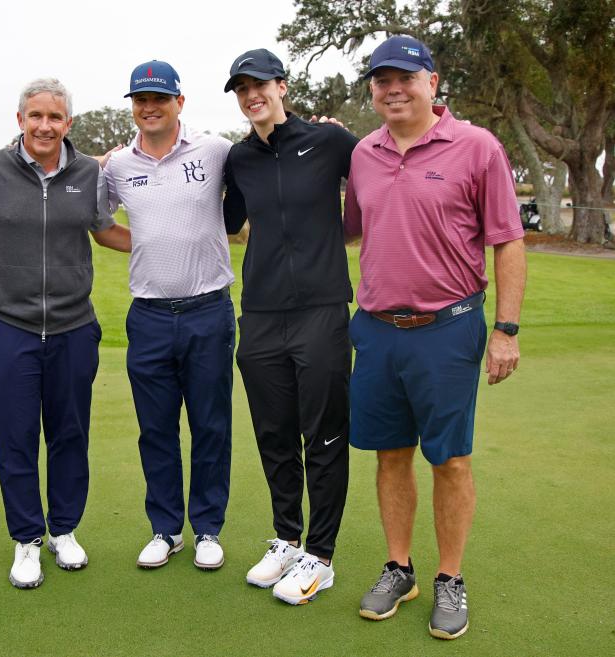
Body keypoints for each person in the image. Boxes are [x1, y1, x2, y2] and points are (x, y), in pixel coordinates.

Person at [343, 35, 526, 639]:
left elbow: (508, 239)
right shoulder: (363, 153)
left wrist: (505, 329)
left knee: (449, 458)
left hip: (447, 329)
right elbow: (347, 229)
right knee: (389, 453)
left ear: (432, 82)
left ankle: (450, 577)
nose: (393, 89)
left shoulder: (477, 147)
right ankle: (400, 567)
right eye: (381, 80)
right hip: (375, 330)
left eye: (405, 78)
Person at [0, 78, 130, 589]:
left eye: (54, 117)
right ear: (20, 120)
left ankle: (64, 529)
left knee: (69, 434)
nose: (44, 125)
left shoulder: (88, 173)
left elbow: (104, 229)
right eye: (35, 115)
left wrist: (174, 238)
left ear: (68, 124)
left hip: (73, 328)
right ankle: (27, 539)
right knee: (14, 438)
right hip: (8, 327)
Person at [221, 48, 359, 605]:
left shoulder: (328, 141)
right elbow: (226, 221)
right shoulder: (239, 158)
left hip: (322, 312)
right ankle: (286, 538)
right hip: (259, 315)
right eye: (241, 89)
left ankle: (319, 557)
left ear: (281, 85)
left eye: (260, 85)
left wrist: (340, 237)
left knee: (323, 435)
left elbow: (382, 173)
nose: (251, 95)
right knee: (274, 434)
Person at [102, 61, 236, 571]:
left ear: (180, 101)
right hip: (150, 316)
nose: (149, 107)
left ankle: (207, 528)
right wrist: (151, 245)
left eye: (159, 98)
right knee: (155, 428)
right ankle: (165, 528)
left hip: (209, 310)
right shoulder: (116, 165)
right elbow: (100, 225)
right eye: (140, 99)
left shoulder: (215, 150)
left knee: (210, 425)